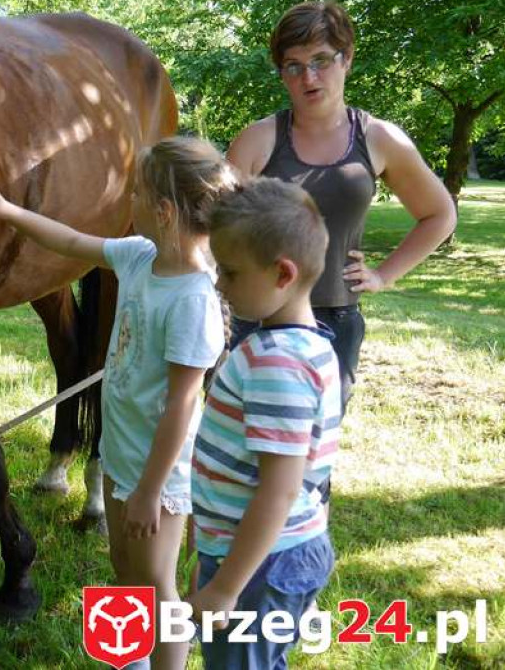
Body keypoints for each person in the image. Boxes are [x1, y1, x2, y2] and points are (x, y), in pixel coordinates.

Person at [0, 137, 230, 670]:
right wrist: (5, 208)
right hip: (122, 454)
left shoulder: (193, 301)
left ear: (164, 211)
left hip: (162, 477)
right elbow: (69, 240)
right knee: (122, 570)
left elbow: (182, 406)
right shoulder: (138, 257)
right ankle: (128, 660)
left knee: (157, 587)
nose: (127, 201)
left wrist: (151, 490)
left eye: (136, 192)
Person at [227, 0, 456, 418]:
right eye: (293, 66)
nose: (308, 77)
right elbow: (213, 231)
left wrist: (384, 275)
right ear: (281, 73)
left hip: (336, 321)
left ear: (346, 58)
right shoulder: (257, 140)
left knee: (313, 455)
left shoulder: (379, 140)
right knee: (243, 449)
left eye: (321, 60)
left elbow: (440, 214)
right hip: (256, 318)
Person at [190, 177, 341, 669]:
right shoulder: (308, 344)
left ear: (282, 274)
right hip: (256, 553)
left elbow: (278, 490)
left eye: (230, 273)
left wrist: (227, 586)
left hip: (264, 564)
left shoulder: (277, 365)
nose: (219, 284)